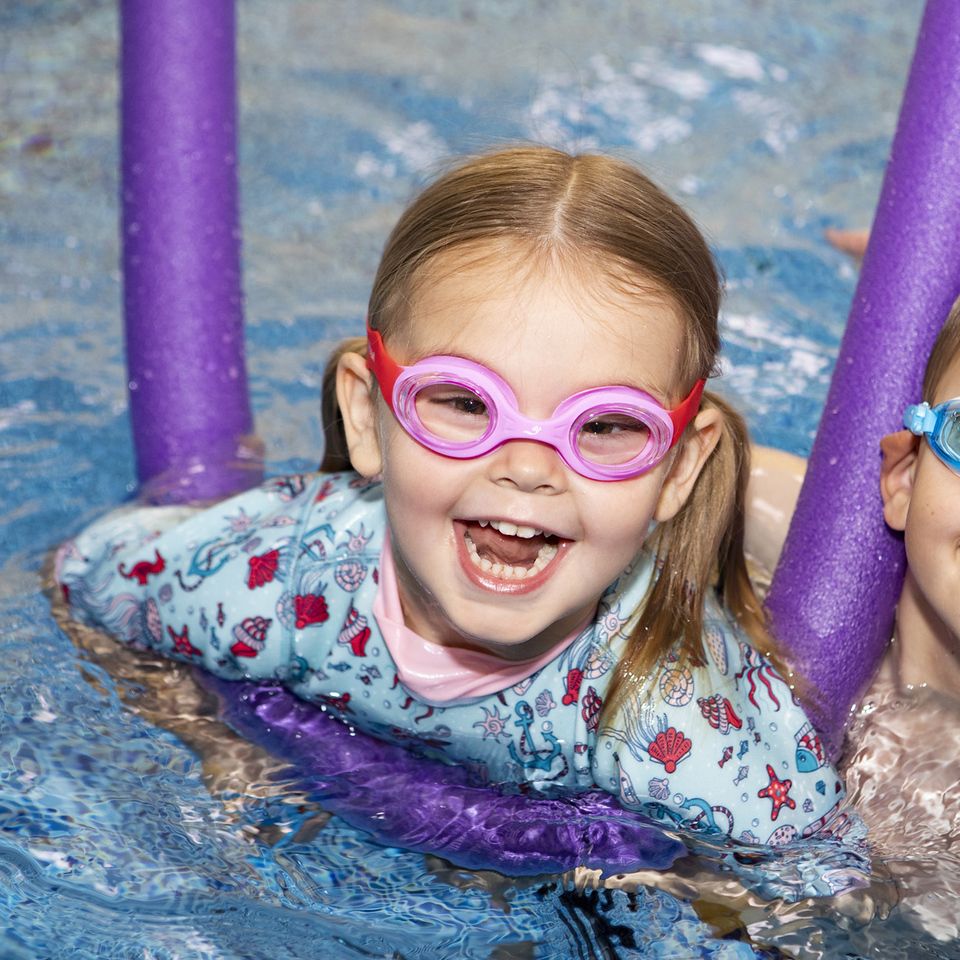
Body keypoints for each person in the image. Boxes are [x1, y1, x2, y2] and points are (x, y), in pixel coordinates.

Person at [57, 146, 848, 860]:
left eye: (605, 425)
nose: (529, 468)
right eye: (466, 405)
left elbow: (812, 887)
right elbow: (84, 580)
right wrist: (205, 733)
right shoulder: (287, 572)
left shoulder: (673, 710)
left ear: (678, 468)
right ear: (368, 415)